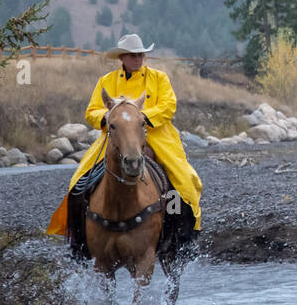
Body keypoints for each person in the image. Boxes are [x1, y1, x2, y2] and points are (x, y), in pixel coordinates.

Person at [47, 34, 203, 243]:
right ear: (122, 58)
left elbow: (168, 106)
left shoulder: (159, 78)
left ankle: (180, 234)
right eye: (132, 55)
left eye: (140, 55)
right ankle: (79, 239)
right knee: (78, 184)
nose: (137, 59)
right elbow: (92, 111)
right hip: (115, 138)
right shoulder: (107, 81)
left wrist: (142, 117)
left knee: (183, 182)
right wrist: (108, 117)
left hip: (155, 136)